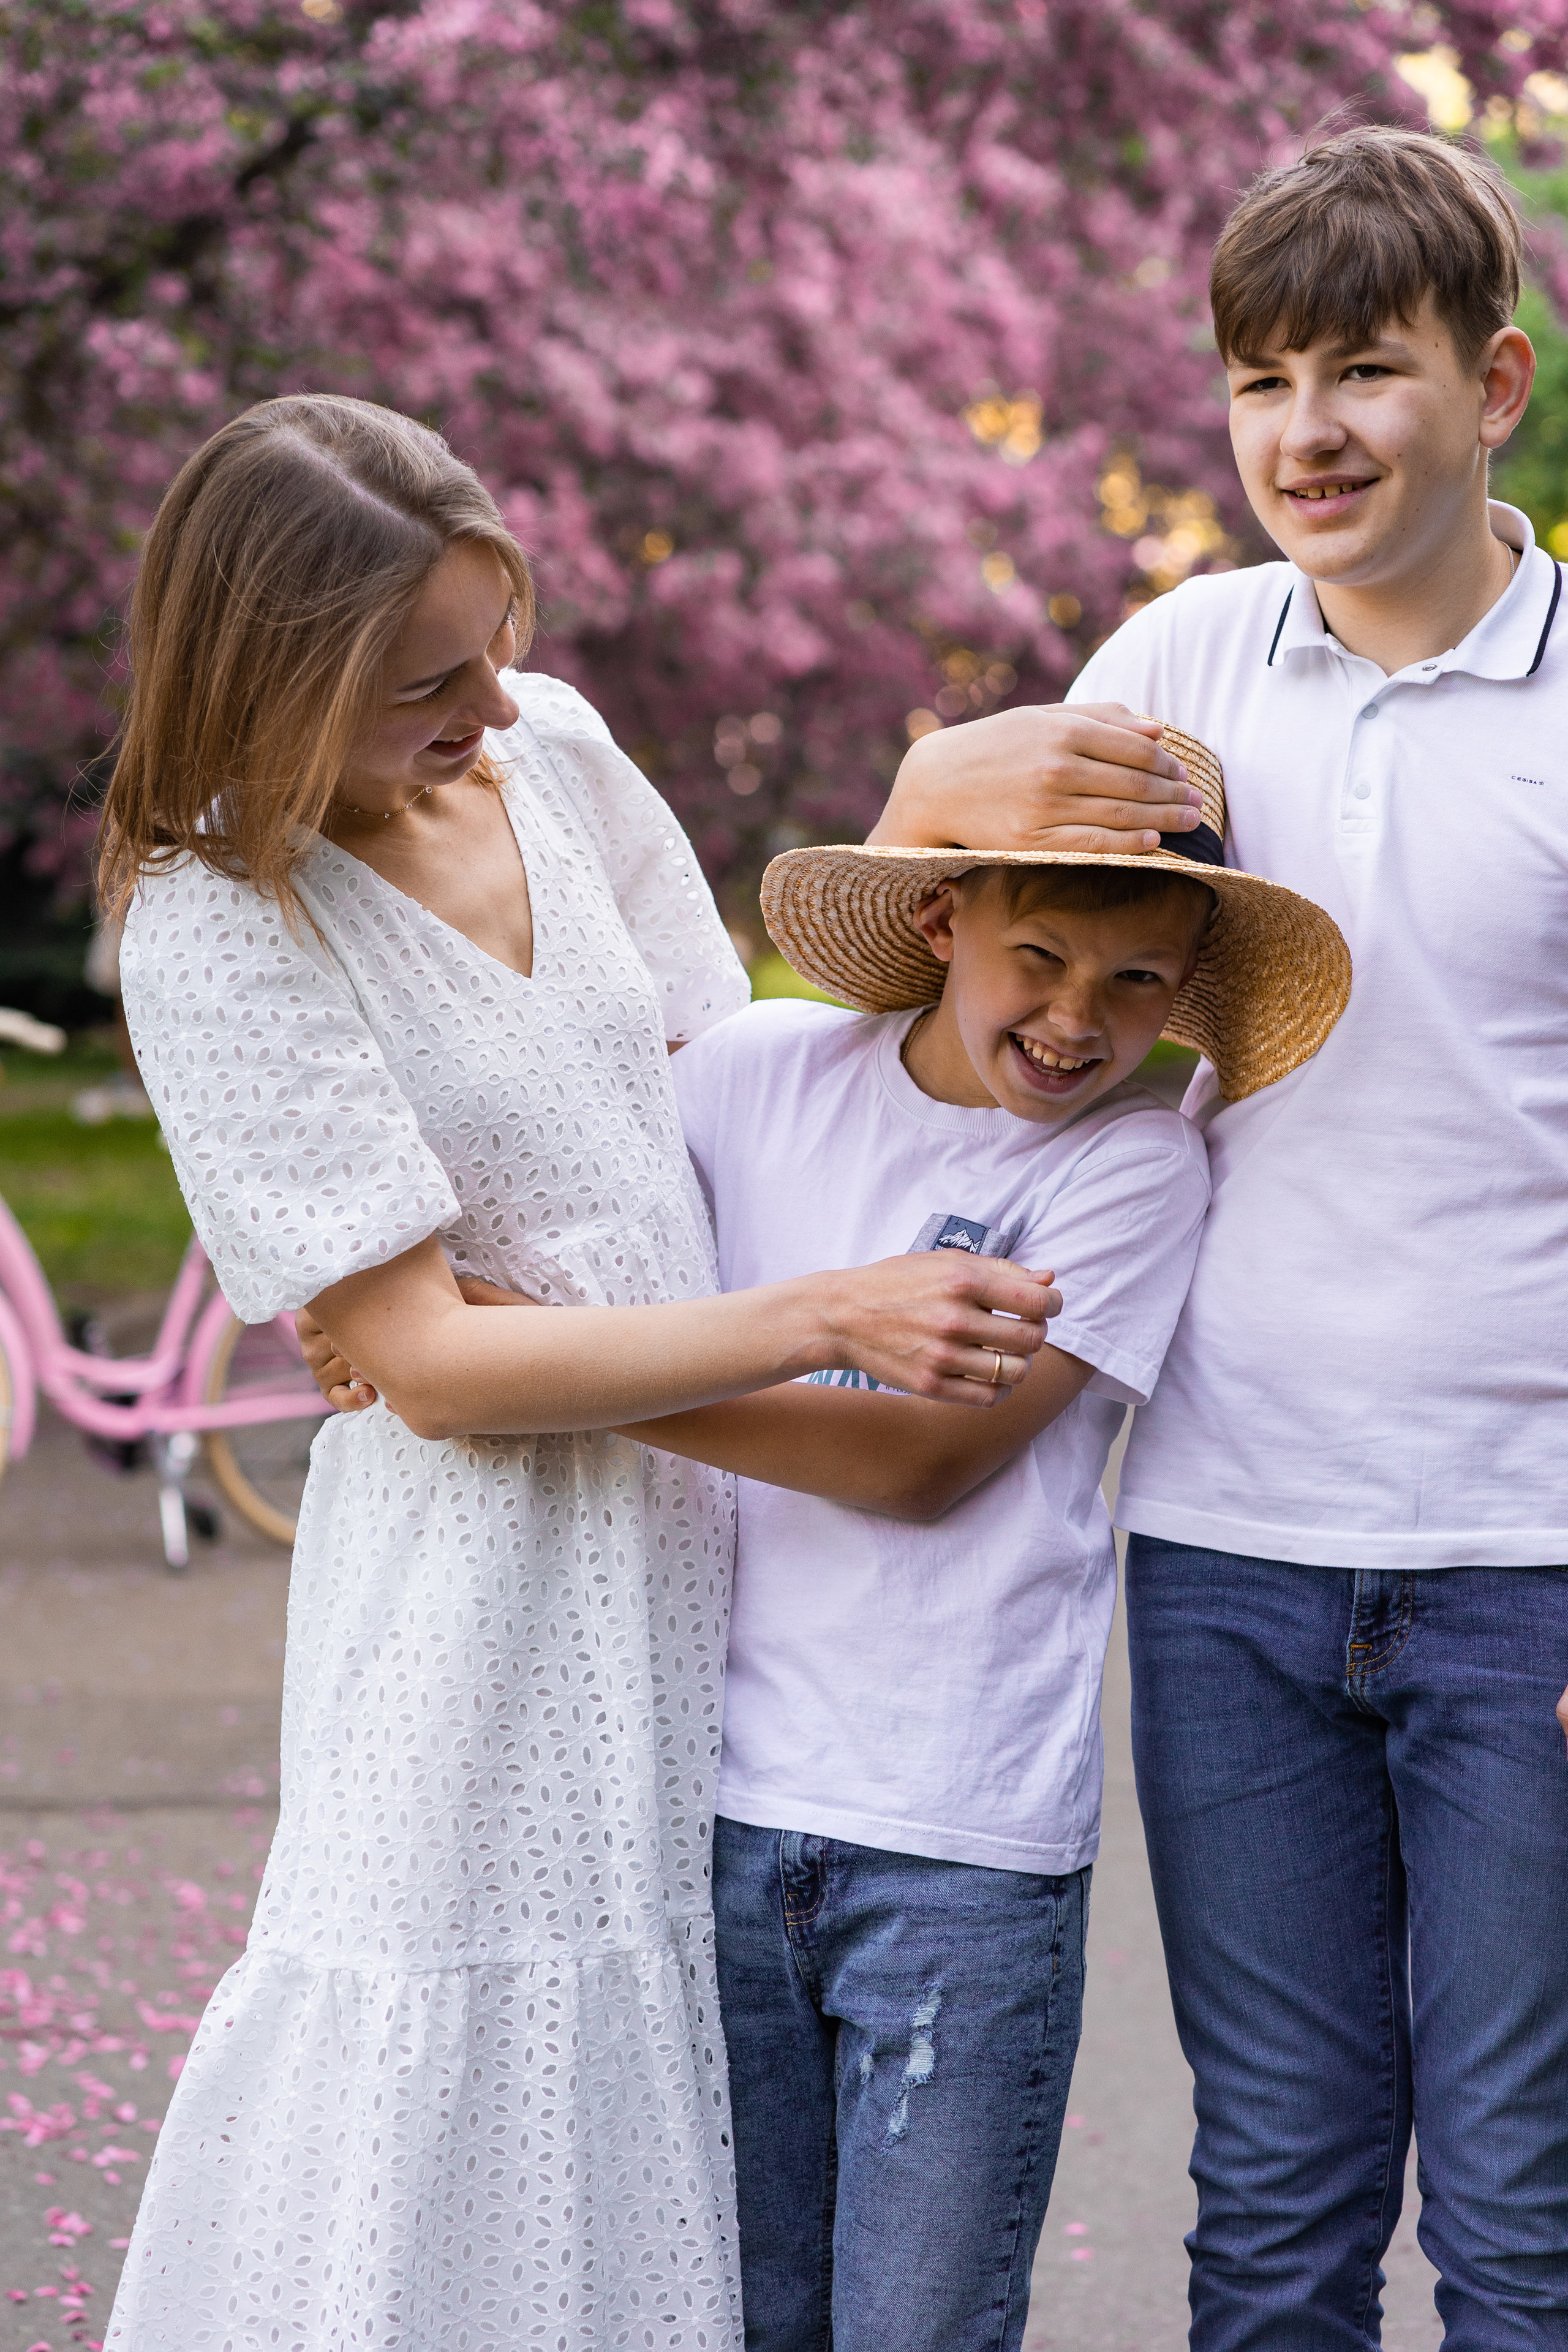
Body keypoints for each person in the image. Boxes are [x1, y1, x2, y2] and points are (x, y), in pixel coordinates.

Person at [96, 393, 1061, 2351]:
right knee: (453, 2080)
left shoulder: (568, 759)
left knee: (681, 2102)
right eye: (425, 685)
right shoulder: (215, 925)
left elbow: (721, 1088)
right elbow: (433, 1372)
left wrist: (943, 815)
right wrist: (820, 1318)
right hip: (470, 1623)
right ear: (277, 690)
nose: (498, 711)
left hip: (698, 1550)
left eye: (496, 646)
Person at [307, 730, 1350, 2351]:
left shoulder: (1133, 1170)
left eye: (1138, 984)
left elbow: (924, 1463)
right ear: (945, 921)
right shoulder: (749, 1078)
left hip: (958, 1838)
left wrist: (511, 1376)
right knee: (742, 2310)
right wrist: (406, 1316)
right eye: (1042, 957)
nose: (1078, 1021)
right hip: (703, 1803)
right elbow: (556, 1225)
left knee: (916, 2324)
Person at [869, 124, 1568, 2349]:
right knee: (1267, 2203)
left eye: (1363, 371)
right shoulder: (1182, 659)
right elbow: (953, 943)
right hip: (1232, 1539)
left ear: (1500, 381)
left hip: (1525, 1556)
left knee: (1530, 2218)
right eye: (1260, 384)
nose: (1307, 435)